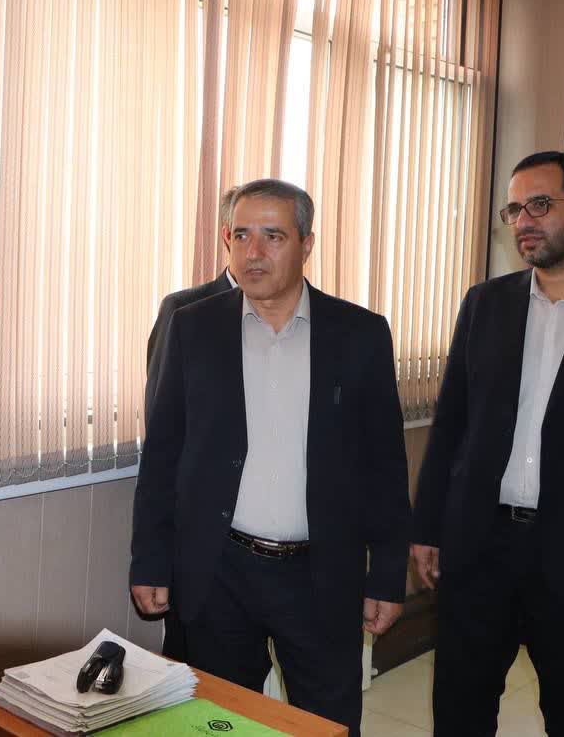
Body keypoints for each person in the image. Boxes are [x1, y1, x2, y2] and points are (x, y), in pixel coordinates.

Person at [131, 179, 410, 734]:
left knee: (325, 723)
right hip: (220, 572)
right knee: (217, 723)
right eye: (241, 235)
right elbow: (162, 454)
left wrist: (387, 574)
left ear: (307, 244)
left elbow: (384, 465)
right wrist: (150, 560)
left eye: (273, 236)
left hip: (320, 573)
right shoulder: (193, 328)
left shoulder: (359, 334)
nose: (253, 252)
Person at [411, 151, 564, 737]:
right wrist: (427, 528)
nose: (523, 221)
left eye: (541, 205)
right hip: (479, 547)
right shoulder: (485, 303)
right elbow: (451, 426)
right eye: (515, 209)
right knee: (460, 712)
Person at [142, 186, 239, 661]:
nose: (258, 248)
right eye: (244, 232)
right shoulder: (184, 310)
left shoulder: (317, 319)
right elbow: (163, 429)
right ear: (227, 236)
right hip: (203, 541)